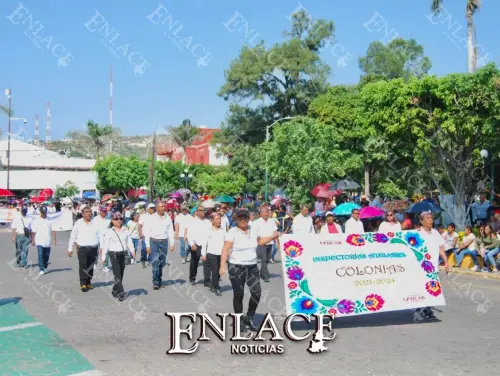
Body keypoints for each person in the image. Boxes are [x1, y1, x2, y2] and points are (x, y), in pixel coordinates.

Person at [219, 210, 280, 332]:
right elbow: (225, 249)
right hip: (236, 267)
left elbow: (259, 242)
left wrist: (274, 236)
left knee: (256, 293)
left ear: (248, 219)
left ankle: (249, 317)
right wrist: (222, 267)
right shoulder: (232, 232)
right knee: (239, 295)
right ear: (236, 219)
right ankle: (239, 320)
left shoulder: (253, 229)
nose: (242, 220)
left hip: (252, 267)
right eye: (240, 218)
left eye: (245, 218)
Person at [414, 211, 450, 322]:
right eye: (427, 218)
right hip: (422, 267)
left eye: (431, 218)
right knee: (422, 289)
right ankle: (419, 312)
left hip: (434, 267)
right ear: (421, 221)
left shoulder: (435, 232)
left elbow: (441, 248)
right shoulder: (417, 233)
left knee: (431, 290)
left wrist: (446, 261)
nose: (430, 220)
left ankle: (427, 311)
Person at [101, 212, 135, 301]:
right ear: (112, 221)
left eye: (120, 219)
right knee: (117, 275)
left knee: (121, 274)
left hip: (123, 254)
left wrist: (132, 251)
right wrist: (103, 257)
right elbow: (106, 246)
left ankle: (114, 290)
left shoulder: (125, 230)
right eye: (116, 219)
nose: (119, 221)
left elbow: (129, 241)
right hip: (114, 254)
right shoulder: (109, 231)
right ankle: (121, 293)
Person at [143, 202, 175, 290]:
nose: (163, 208)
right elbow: (147, 231)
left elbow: (170, 231)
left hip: (164, 242)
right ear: (157, 208)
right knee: (155, 261)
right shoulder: (151, 218)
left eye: (164, 206)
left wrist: (172, 244)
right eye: (161, 206)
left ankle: (159, 279)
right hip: (154, 241)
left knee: (162, 262)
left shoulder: (167, 217)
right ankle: (155, 282)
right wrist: (148, 246)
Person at [68, 207, 100, 292]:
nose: (89, 213)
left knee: (90, 266)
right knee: (83, 266)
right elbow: (73, 236)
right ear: (82, 214)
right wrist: (69, 248)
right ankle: (83, 284)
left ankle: (88, 282)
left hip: (93, 248)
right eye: (86, 212)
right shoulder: (78, 223)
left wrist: (102, 248)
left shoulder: (95, 223)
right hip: (82, 248)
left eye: (90, 212)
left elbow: (100, 236)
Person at [252, 206, 280, 283]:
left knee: (267, 260)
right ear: (260, 213)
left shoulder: (271, 221)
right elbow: (254, 235)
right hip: (261, 244)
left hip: (270, 243)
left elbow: (275, 232)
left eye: (267, 212)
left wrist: (277, 242)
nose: (266, 214)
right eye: (264, 212)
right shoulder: (256, 222)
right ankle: (266, 276)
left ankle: (261, 273)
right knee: (263, 260)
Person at [201, 213, 226, 295]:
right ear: (212, 221)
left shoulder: (223, 229)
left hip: (221, 253)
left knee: (219, 271)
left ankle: (213, 284)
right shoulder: (208, 230)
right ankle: (216, 287)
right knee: (215, 270)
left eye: (220, 219)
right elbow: (204, 243)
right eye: (217, 219)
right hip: (211, 253)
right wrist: (203, 254)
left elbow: (226, 242)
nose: (219, 220)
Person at [187, 206, 212, 286]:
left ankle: (207, 280)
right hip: (196, 245)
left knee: (207, 263)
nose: (203, 212)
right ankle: (192, 278)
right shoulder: (192, 222)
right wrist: (192, 244)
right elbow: (189, 234)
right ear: (197, 212)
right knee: (194, 262)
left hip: (206, 245)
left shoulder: (208, 222)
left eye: (204, 210)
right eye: (201, 210)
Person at [30, 206, 56, 275]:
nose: (44, 213)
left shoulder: (50, 219)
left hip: (48, 240)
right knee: (40, 254)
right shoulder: (36, 220)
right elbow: (33, 231)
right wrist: (33, 240)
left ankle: (44, 267)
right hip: (39, 240)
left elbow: (53, 230)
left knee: (46, 255)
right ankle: (41, 269)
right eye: (43, 212)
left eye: (45, 212)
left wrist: (54, 240)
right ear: (40, 212)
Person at [93, 206, 111, 271]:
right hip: (96, 237)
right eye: (103, 211)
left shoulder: (109, 219)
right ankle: (94, 263)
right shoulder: (95, 219)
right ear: (100, 211)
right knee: (95, 251)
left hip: (105, 237)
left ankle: (105, 265)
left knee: (106, 252)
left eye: (106, 211)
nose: (105, 212)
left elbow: (110, 228)